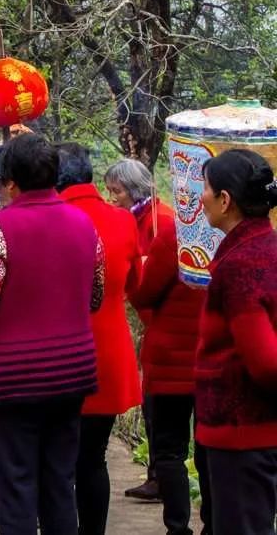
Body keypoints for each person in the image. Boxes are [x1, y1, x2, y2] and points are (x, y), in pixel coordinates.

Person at [0, 133, 105, 535]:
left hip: (14, 377)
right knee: (59, 481)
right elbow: (95, 296)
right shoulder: (85, 225)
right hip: (71, 373)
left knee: (16, 483)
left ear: (12, 183)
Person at [56, 144, 142, 535]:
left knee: (57, 459)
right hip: (107, 352)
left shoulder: (52, 219)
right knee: (93, 458)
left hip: (57, 357)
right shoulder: (124, 221)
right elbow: (135, 285)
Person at [195, 149, 277, 535]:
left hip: (243, 433)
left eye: (206, 188)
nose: (201, 197)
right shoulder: (267, 247)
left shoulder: (240, 264)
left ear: (225, 200)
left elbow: (265, 362)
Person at [129, 189, 207, 535]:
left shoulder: (175, 236)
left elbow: (145, 292)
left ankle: (177, 527)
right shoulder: (233, 238)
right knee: (208, 447)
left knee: (170, 450)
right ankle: (213, 523)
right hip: (211, 360)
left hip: (169, 363)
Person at [105, 157, 172, 502]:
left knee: (160, 411)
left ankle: (161, 477)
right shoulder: (137, 217)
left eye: (117, 191)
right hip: (151, 321)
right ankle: (156, 475)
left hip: (163, 323)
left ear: (133, 190)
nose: (112, 197)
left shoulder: (160, 221)